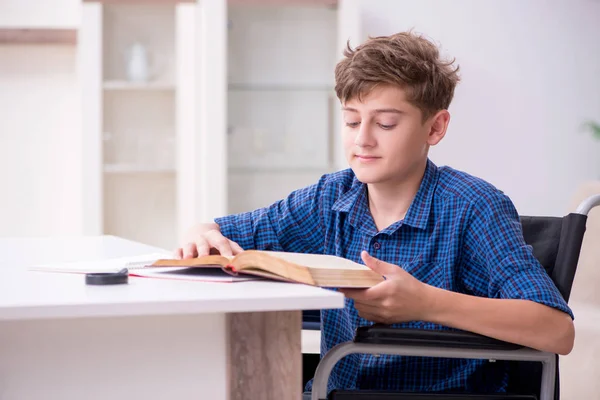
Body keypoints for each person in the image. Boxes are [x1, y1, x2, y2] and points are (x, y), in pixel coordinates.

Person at [174, 31, 574, 395]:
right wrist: (201, 231)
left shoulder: (474, 205)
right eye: (351, 121)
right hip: (332, 390)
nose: (362, 140)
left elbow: (557, 330)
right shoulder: (330, 198)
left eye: (385, 123)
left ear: (435, 129)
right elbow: (227, 234)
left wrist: (425, 303)